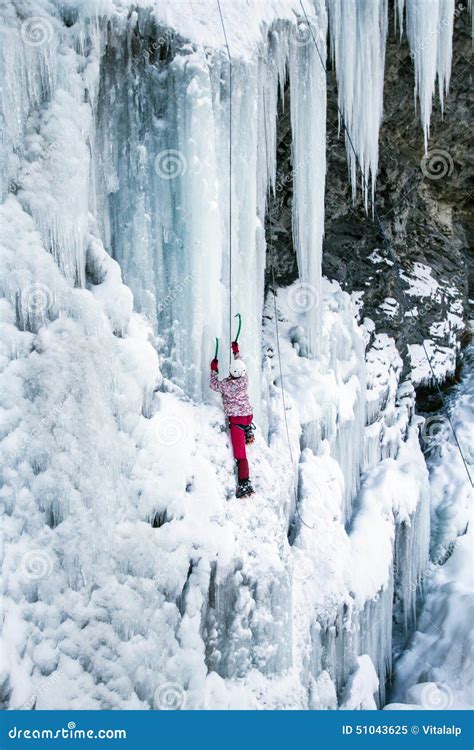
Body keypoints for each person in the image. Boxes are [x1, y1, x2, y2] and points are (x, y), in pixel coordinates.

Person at [210, 341, 255, 498]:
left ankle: (245, 484)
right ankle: (249, 431)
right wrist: (236, 351)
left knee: (240, 456)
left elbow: (213, 384)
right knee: (246, 421)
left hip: (236, 422)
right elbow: (240, 364)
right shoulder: (245, 379)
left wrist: (214, 369)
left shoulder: (226, 386)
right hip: (248, 416)